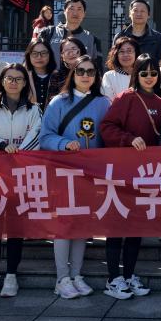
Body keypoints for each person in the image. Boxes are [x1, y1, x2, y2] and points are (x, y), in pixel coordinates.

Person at [40, 55, 110, 299]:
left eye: (90, 71)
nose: (85, 75)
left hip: (89, 174)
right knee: (63, 224)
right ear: (73, 74)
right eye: (81, 71)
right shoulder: (58, 102)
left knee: (82, 224)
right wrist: (63, 144)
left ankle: (76, 274)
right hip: (63, 172)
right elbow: (45, 136)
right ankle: (62, 278)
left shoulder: (103, 103)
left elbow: (108, 135)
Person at [0, 64, 42, 298]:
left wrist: (19, 153)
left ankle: (11, 275)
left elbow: (37, 134)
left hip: (21, 176)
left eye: (18, 79)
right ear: (2, 81)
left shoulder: (34, 110)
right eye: (9, 78)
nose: (13, 82)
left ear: (25, 83)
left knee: (16, 227)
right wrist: (1, 145)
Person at [99, 53, 161, 300]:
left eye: (153, 73)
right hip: (121, 172)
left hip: (146, 175)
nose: (149, 77)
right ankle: (113, 278)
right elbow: (106, 127)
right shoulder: (126, 97)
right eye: (144, 73)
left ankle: (128, 275)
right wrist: (129, 139)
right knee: (117, 225)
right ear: (136, 74)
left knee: (136, 227)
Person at [38, 0, 102, 69]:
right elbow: (35, 57)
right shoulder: (48, 33)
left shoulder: (92, 39)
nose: (75, 13)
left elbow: (98, 68)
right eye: (71, 9)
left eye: (79, 9)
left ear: (84, 14)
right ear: (64, 11)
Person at [114, 0, 161, 65]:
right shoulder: (120, 36)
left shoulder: (158, 38)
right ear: (130, 14)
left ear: (148, 15)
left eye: (142, 11)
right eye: (135, 10)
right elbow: (114, 61)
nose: (139, 14)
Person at [102, 36, 140, 101]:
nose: (125, 55)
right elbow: (108, 101)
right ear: (116, 55)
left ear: (136, 54)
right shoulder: (109, 76)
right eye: (121, 51)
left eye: (129, 51)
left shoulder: (143, 75)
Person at [24, 38, 57, 110]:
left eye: (43, 53)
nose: (39, 57)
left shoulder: (58, 77)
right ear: (28, 56)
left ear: (50, 55)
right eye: (34, 53)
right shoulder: (23, 77)